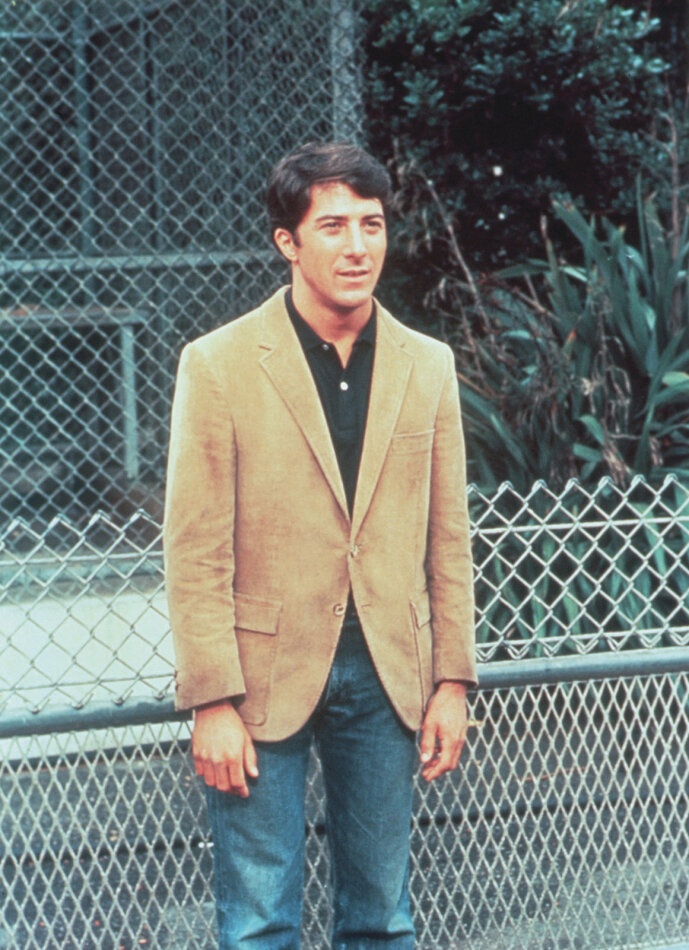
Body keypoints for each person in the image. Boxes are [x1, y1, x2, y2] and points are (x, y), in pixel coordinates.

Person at [163, 141, 477, 950]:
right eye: (332, 226)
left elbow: (448, 539)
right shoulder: (219, 365)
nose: (357, 246)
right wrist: (211, 701)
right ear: (287, 242)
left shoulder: (427, 365)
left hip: (387, 676)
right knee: (259, 924)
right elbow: (195, 550)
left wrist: (451, 681)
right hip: (257, 678)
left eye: (371, 224)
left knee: (381, 920)